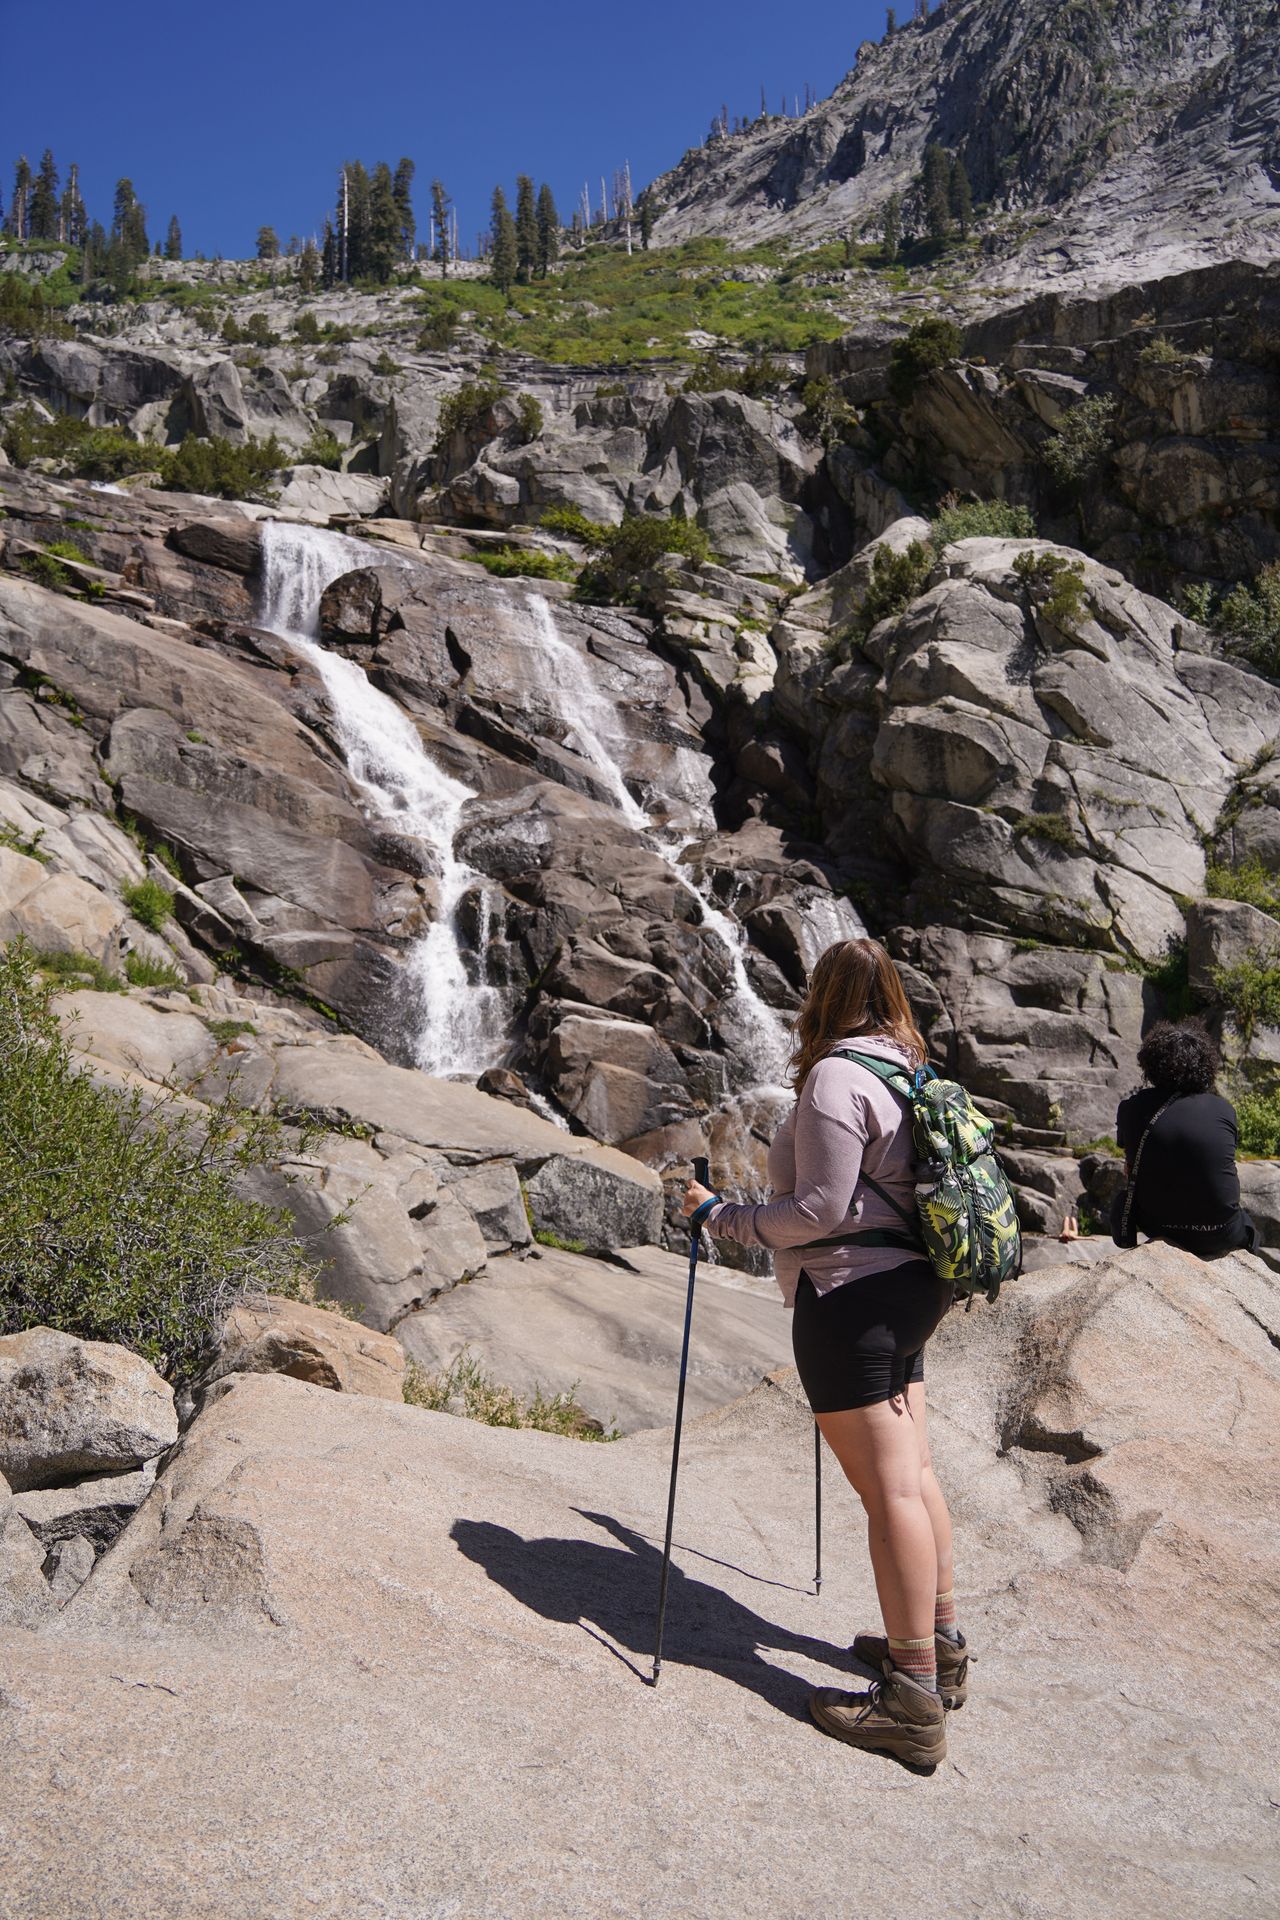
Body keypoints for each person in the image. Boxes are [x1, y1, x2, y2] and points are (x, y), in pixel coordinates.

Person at [682, 938, 965, 1771]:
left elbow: (818, 1210)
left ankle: (912, 1703)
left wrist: (720, 1217)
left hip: (851, 1299)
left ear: (822, 998)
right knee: (913, 1476)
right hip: (915, 1290)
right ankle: (939, 1648)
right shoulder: (910, 1070)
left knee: (889, 1496)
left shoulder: (838, 1077)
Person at [1094, 1019, 1259, 1255]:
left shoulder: (1131, 1108)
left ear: (1150, 1064)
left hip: (1157, 1227)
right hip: (1220, 1232)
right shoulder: (1223, 1109)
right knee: (1250, 1228)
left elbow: (1130, 1168)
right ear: (1206, 1065)